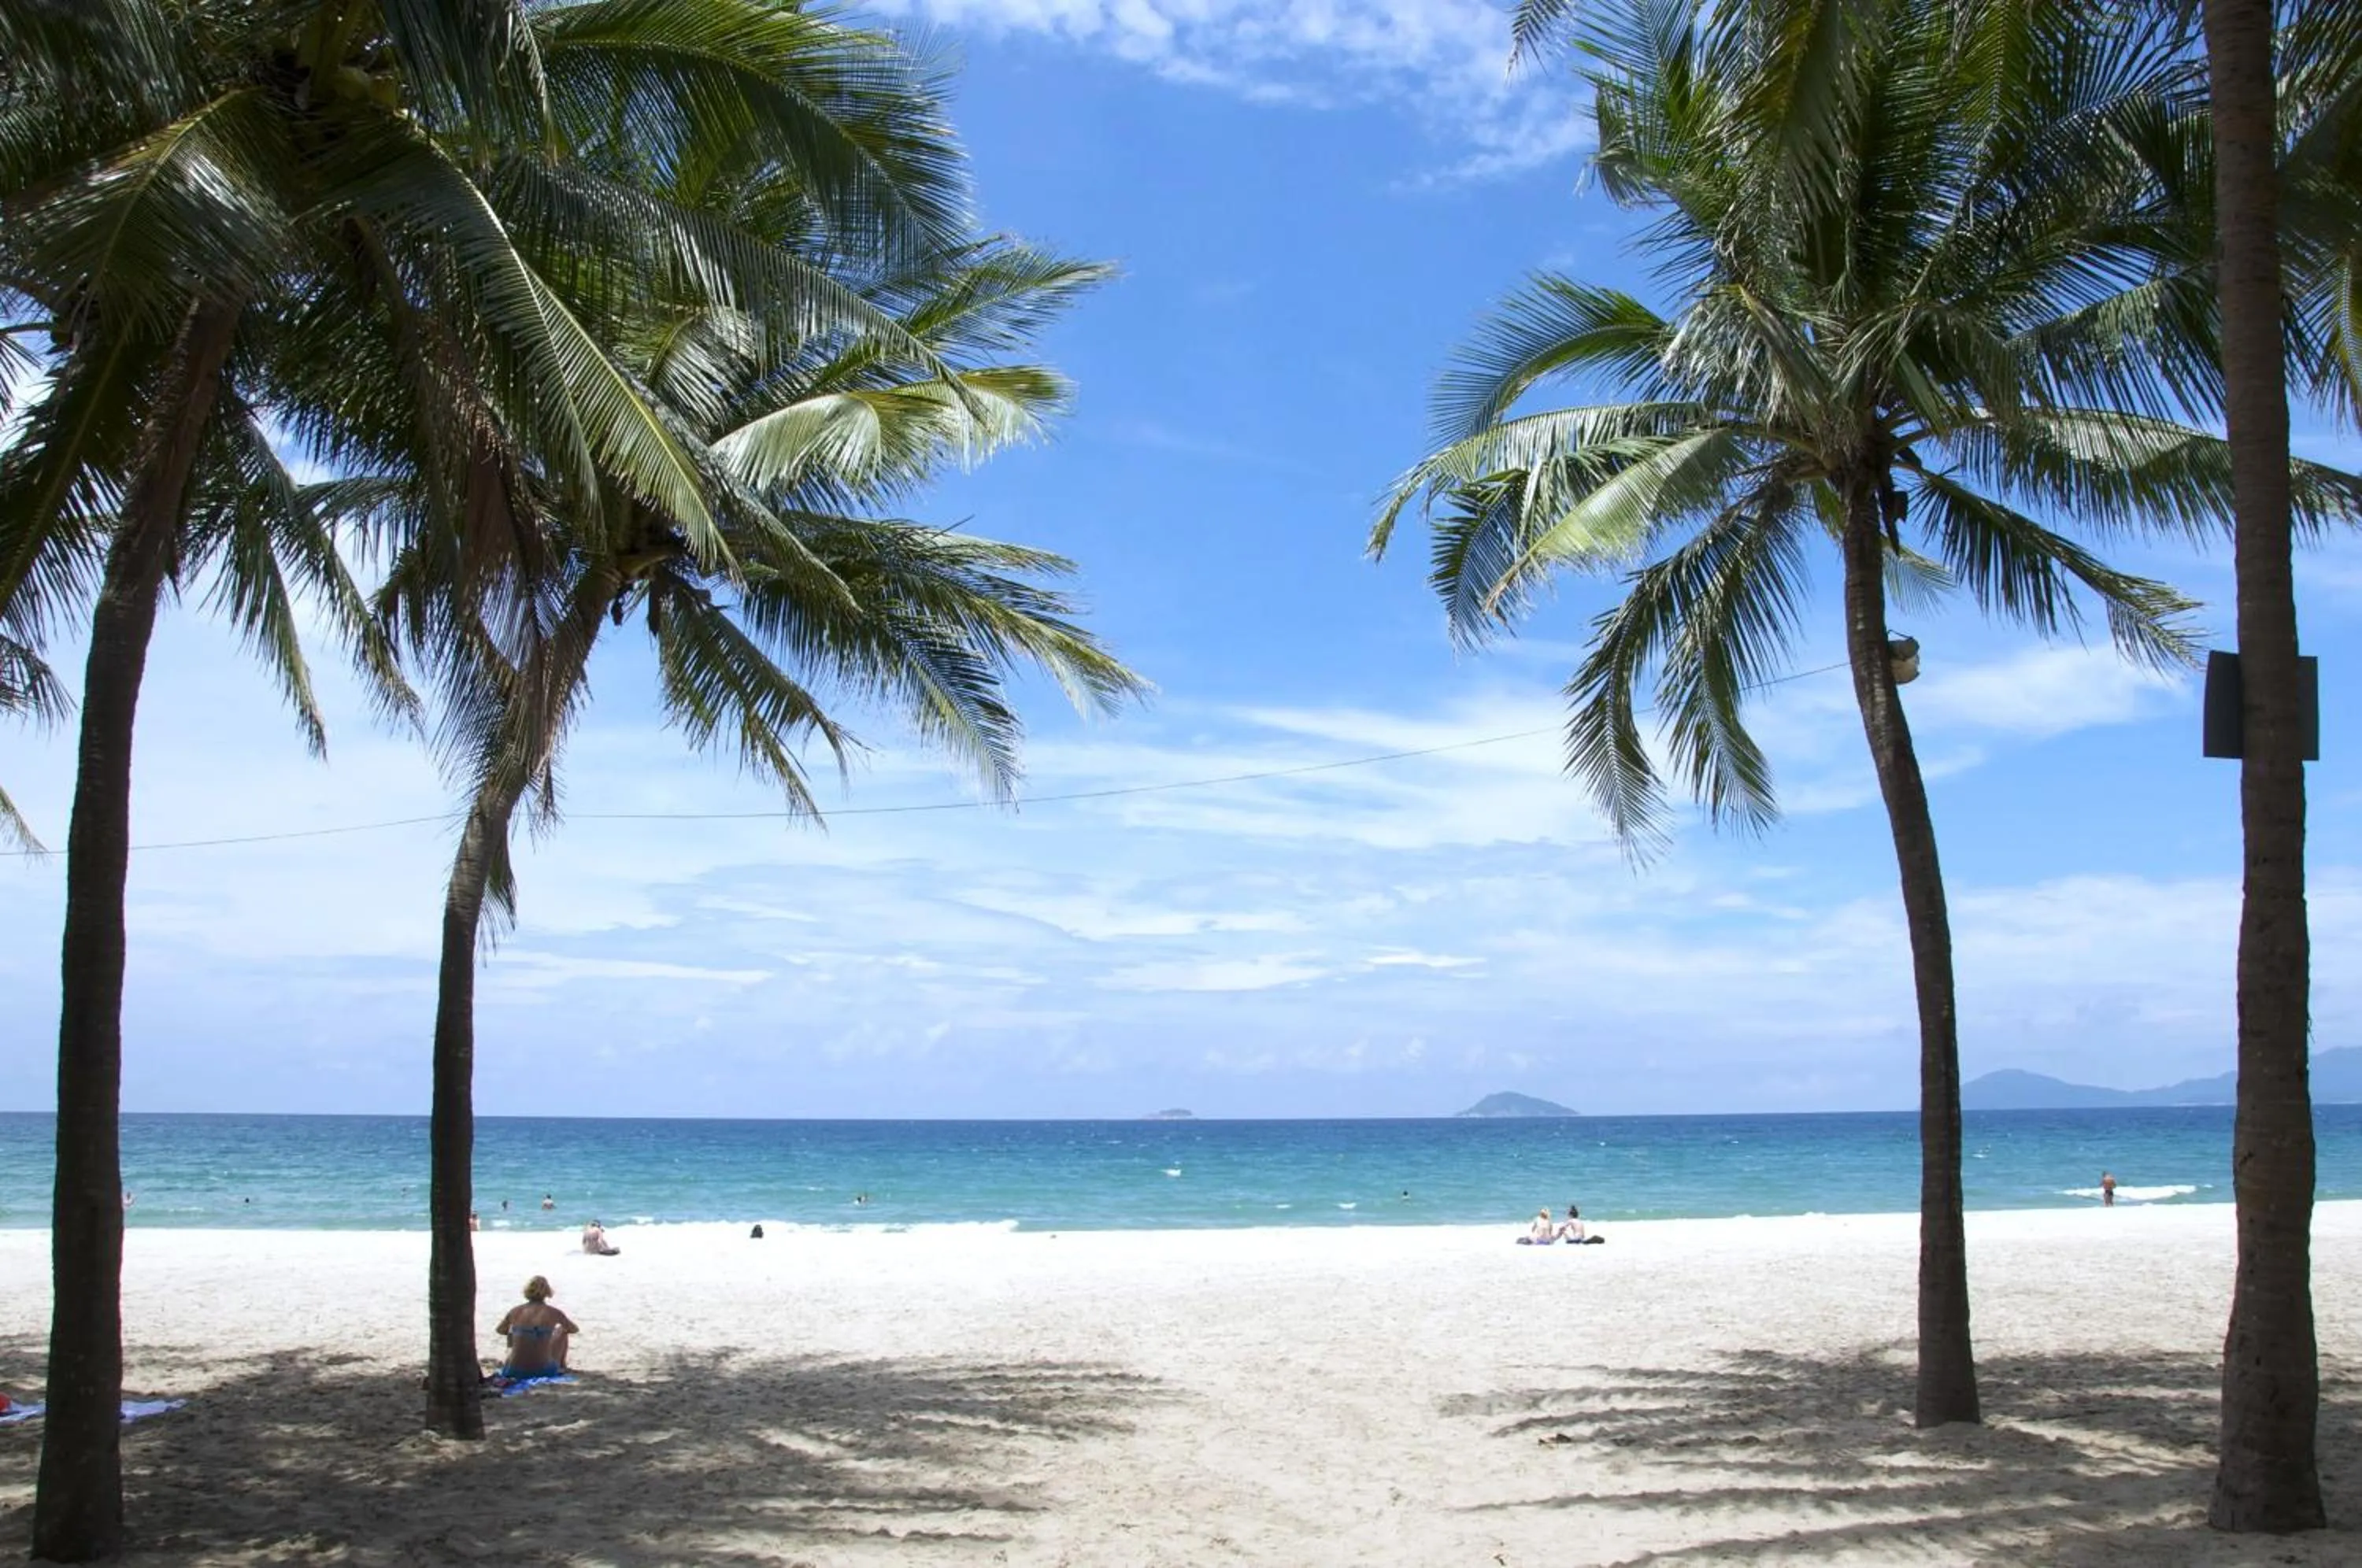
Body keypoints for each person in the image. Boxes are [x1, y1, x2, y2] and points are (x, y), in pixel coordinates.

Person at [494, 1277, 579, 1380]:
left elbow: (500, 1330)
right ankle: (562, 1366)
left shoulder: (515, 1311)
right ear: (547, 1292)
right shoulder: (554, 1312)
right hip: (543, 1371)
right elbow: (574, 1329)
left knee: (512, 1331)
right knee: (562, 1330)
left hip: (513, 1370)